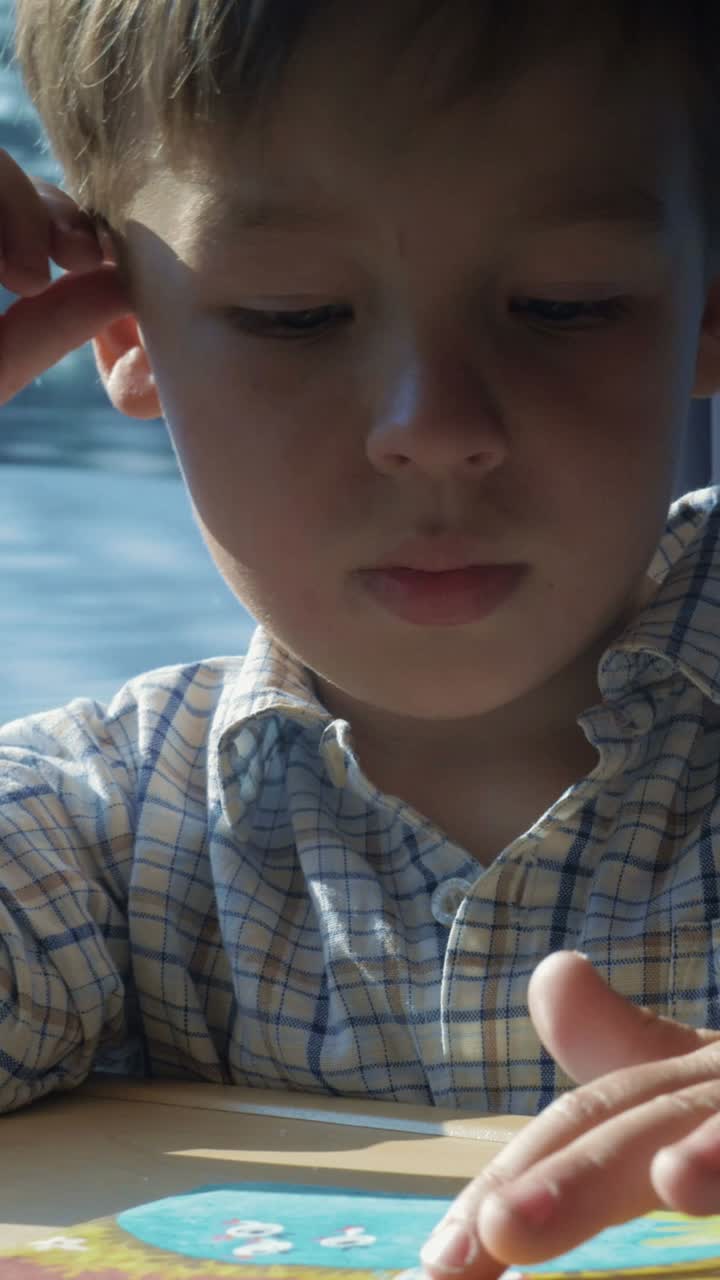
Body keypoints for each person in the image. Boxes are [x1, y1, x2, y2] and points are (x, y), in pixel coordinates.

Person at [4, 0, 720, 1274]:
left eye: (564, 304)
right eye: (293, 314)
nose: (434, 424)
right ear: (126, 334)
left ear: (706, 309)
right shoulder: (102, 833)